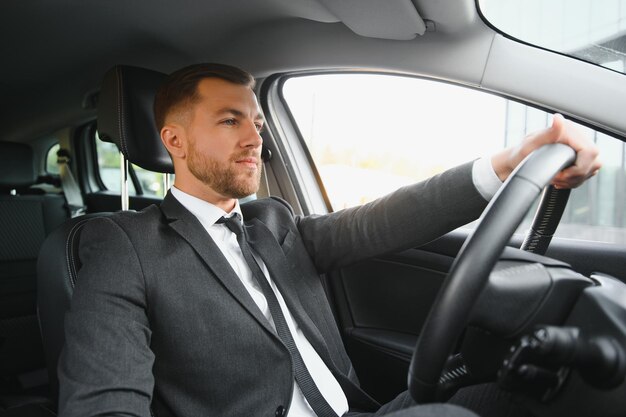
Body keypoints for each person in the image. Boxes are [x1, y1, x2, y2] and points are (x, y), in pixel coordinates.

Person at [58, 63, 601, 417]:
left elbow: (383, 221)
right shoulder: (121, 243)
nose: (255, 139)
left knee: (539, 387)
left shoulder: (273, 219)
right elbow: (105, 403)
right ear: (173, 140)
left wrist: (507, 164)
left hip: (364, 410)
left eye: (258, 123)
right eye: (230, 121)